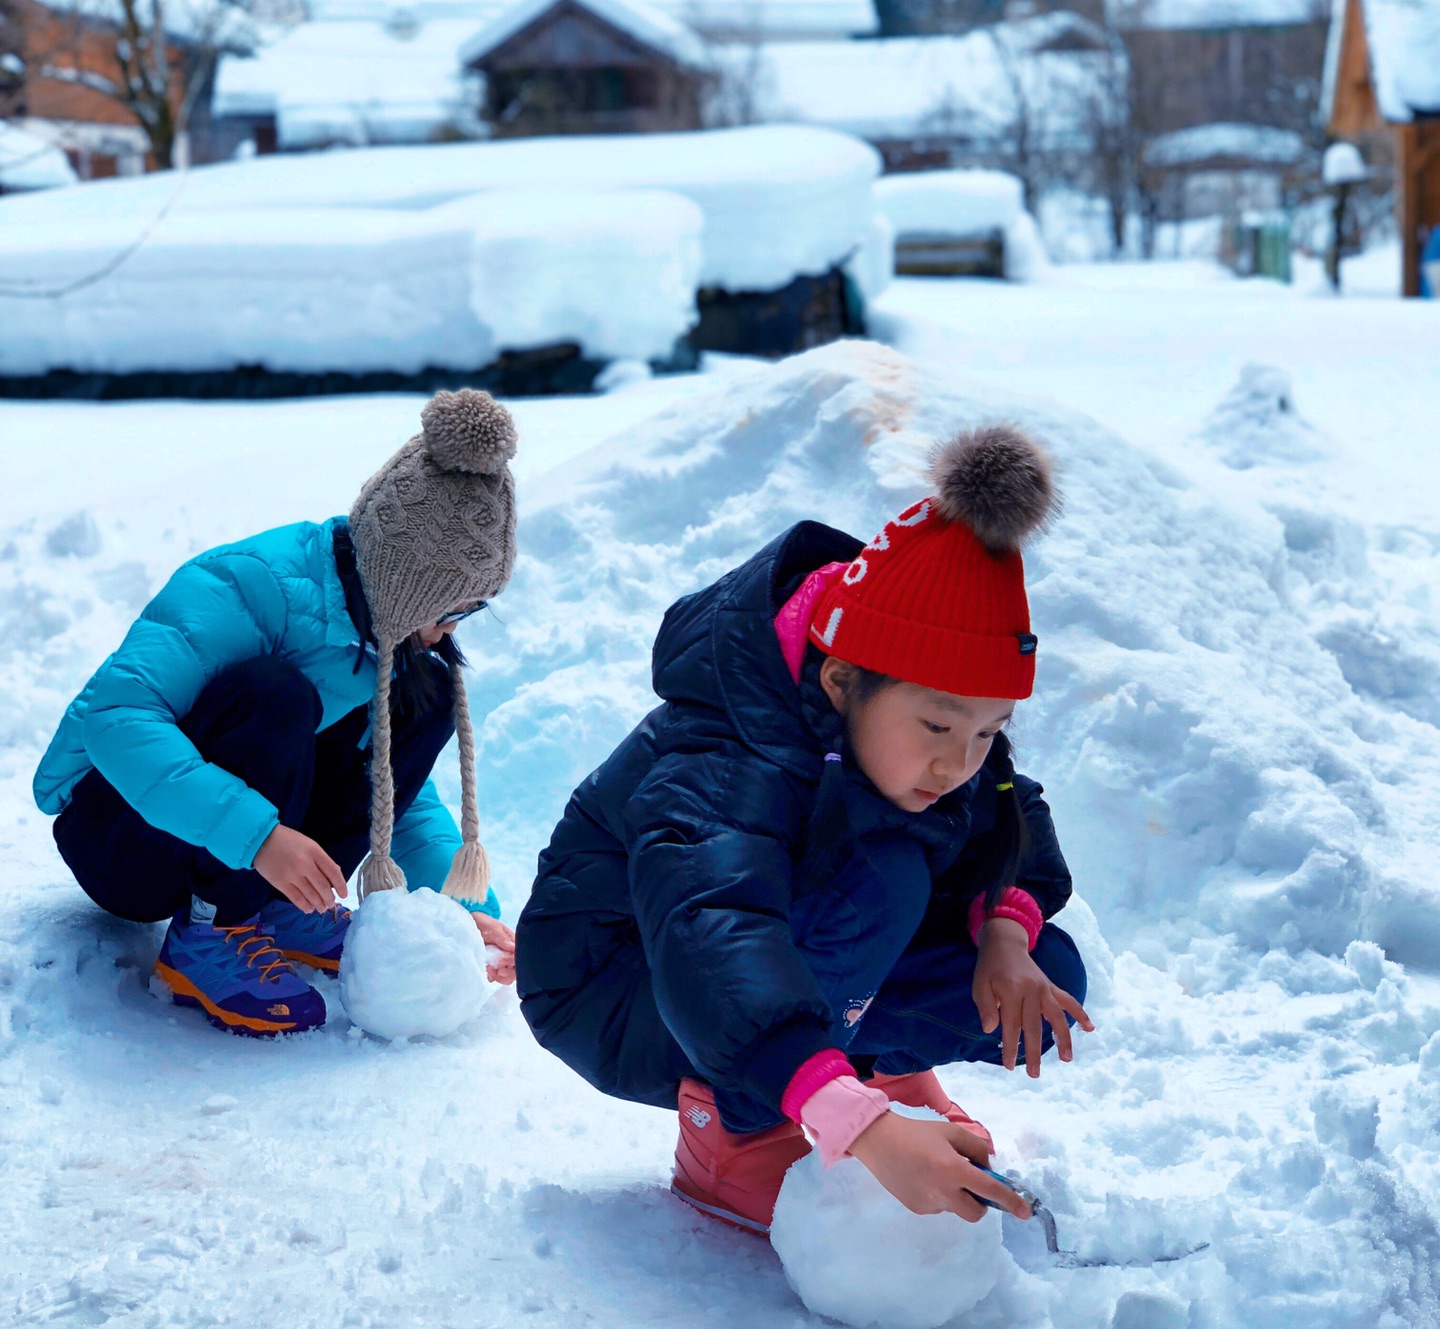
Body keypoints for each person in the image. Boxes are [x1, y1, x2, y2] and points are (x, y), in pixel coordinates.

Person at [516, 424, 1092, 1234]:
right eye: (937, 727)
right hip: (626, 979)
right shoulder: (723, 756)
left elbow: (1009, 810)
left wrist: (1004, 932)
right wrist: (859, 1127)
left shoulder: (918, 745)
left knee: (1043, 969)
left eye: (988, 731)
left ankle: (852, 1071)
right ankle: (739, 1132)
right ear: (841, 678)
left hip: (779, 958)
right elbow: (715, 931)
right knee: (883, 879)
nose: (960, 762)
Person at [34, 388, 521, 1038]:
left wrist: (460, 911)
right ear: (406, 583)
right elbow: (117, 722)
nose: (451, 629)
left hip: (212, 833)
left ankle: (278, 909)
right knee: (276, 694)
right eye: (454, 609)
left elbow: (389, 786)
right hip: (118, 837)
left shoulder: (379, 630)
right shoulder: (249, 586)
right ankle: (214, 929)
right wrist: (257, 837)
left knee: (421, 701)